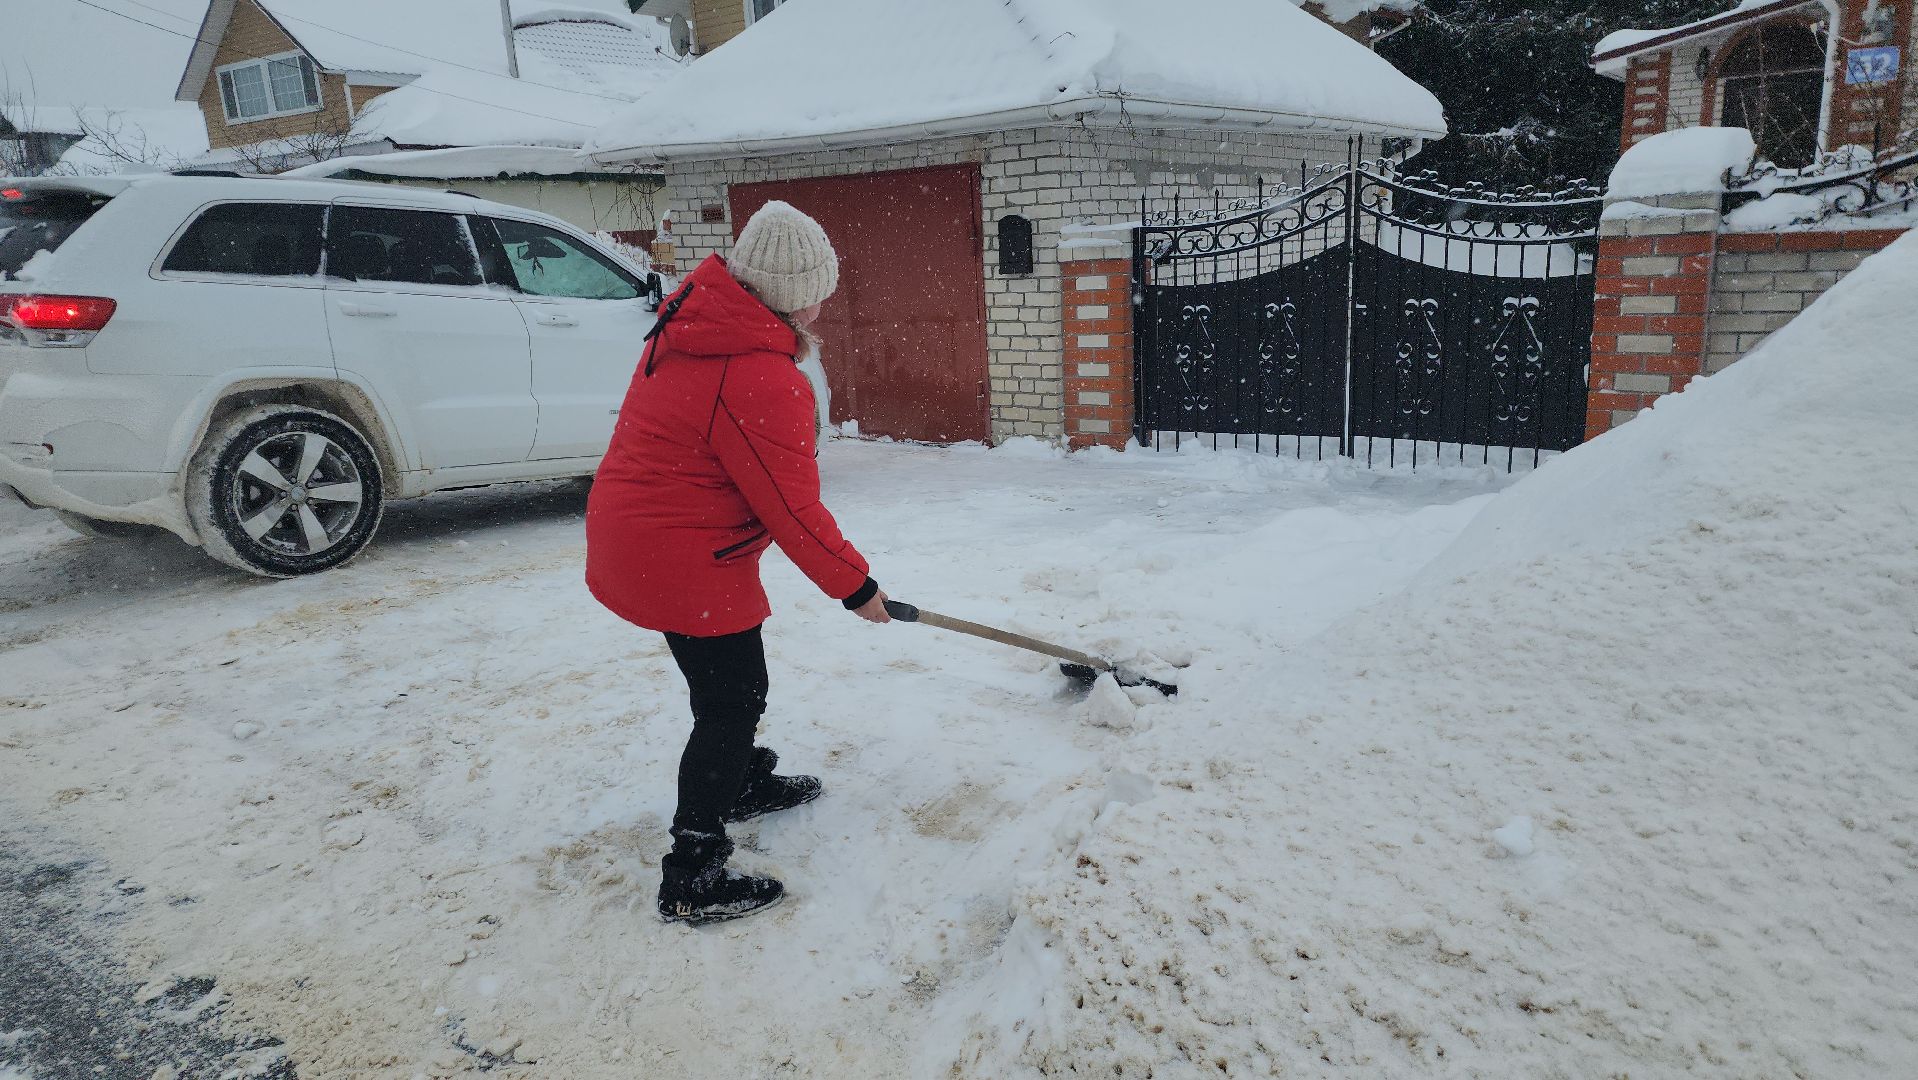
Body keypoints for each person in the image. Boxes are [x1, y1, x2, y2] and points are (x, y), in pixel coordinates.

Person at [585, 201, 890, 926]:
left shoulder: (695, 328)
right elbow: (794, 514)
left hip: (644, 538)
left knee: (721, 689)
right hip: (679, 554)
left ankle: (739, 784)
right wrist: (860, 589)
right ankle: (693, 870)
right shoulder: (758, 374)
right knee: (731, 700)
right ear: (788, 292)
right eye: (818, 285)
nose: (827, 298)